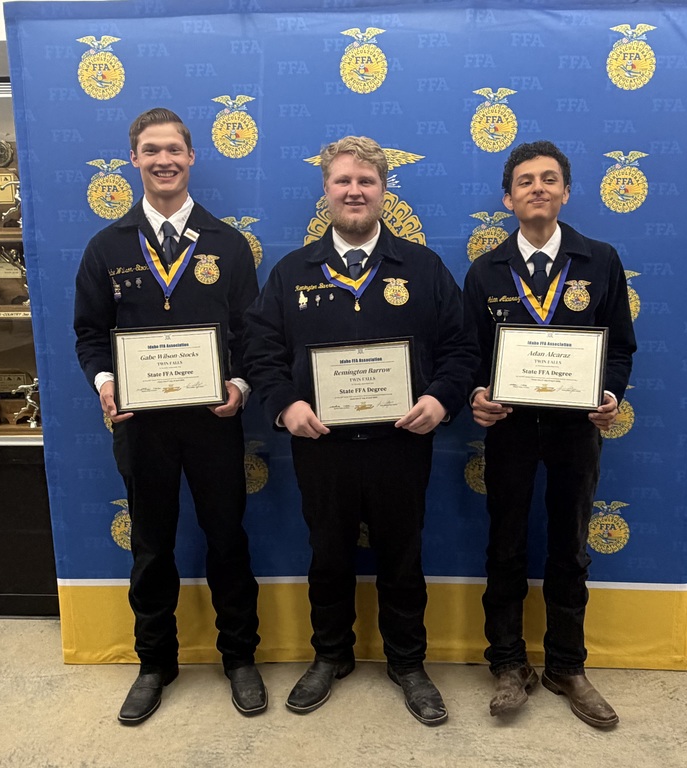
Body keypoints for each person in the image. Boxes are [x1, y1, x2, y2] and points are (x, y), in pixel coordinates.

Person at [243, 136, 477, 726]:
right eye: (343, 181)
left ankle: (408, 662)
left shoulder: (422, 268)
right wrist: (284, 405)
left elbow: (461, 348)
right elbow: (261, 351)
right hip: (322, 446)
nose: (355, 191)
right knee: (327, 555)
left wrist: (440, 398)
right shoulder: (292, 272)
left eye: (366, 182)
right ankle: (330, 656)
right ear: (325, 192)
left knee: (403, 554)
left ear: (383, 190)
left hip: (403, 443)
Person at [74, 108, 265, 725]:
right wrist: (106, 383)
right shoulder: (106, 247)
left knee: (227, 539)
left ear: (191, 157)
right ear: (134, 159)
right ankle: (155, 663)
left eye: (174, 150)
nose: (164, 160)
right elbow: (89, 334)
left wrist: (237, 385)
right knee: (152, 547)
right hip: (141, 425)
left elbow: (251, 334)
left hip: (214, 421)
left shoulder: (229, 245)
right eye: (151, 150)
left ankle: (240, 658)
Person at [463, 140, 636, 727]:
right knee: (505, 546)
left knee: (570, 549)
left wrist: (610, 393)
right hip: (509, 431)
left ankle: (567, 664)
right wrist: (477, 396)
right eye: (526, 181)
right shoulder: (485, 270)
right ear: (507, 197)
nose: (538, 188)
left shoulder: (600, 260)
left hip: (574, 433)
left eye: (550, 179)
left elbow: (621, 347)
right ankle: (508, 663)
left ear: (565, 191)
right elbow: (468, 354)